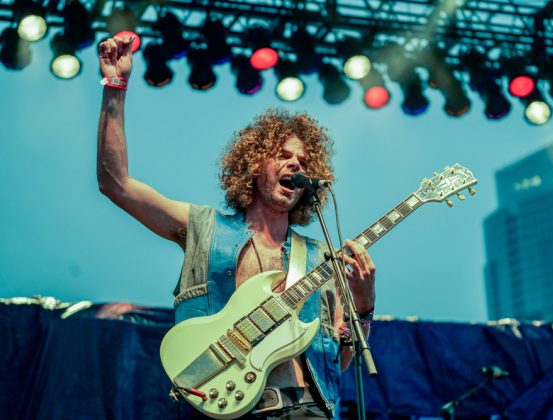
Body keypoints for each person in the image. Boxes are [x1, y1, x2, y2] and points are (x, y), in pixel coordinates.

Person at [97, 35, 376, 419]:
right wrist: (115, 87)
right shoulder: (204, 228)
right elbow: (117, 184)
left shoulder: (319, 256)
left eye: (303, 160)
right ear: (253, 163)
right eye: (282, 154)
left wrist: (364, 306)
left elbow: (342, 361)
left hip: (308, 409)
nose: (295, 164)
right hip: (226, 407)